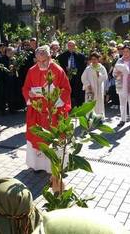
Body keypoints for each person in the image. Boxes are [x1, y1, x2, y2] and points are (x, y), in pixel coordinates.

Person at [22, 45, 71, 178]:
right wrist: (30, 95)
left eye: (44, 60)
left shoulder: (58, 70)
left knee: (54, 137)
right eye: (38, 61)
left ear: (50, 57)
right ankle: (37, 165)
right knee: (37, 137)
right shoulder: (32, 70)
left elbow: (66, 89)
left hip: (53, 111)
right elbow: (25, 88)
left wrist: (58, 100)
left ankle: (55, 166)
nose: (41, 64)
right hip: (37, 111)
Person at [113, 45, 130, 127]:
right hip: (121, 84)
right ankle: (122, 119)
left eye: (127, 51)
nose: (125, 53)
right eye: (124, 51)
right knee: (122, 103)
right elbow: (114, 73)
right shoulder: (119, 61)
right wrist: (117, 74)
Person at [57, 40, 86, 107]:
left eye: (72, 45)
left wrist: (77, 69)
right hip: (67, 77)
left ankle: (78, 106)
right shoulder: (62, 56)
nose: (71, 47)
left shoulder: (81, 56)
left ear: (75, 46)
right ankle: (67, 106)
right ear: (67, 46)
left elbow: (83, 66)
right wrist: (65, 69)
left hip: (77, 77)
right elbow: (60, 66)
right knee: (68, 91)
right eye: (69, 45)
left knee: (77, 92)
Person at [81, 52, 108, 119]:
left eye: (95, 59)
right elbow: (83, 77)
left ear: (98, 59)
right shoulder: (88, 68)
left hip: (99, 89)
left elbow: (105, 77)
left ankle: (99, 118)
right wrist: (87, 85)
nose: (94, 61)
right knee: (90, 103)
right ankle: (89, 117)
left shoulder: (101, 68)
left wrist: (99, 75)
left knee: (99, 103)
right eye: (92, 59)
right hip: (90, 89)